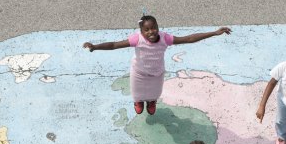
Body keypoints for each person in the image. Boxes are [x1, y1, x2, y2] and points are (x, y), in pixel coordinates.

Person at [83, 15, 231, 115]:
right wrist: (95, 47)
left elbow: (189, 38)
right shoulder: (137, 39)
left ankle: (151, 102)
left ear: (158, 27)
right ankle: (139, 102)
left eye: (153, 27)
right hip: (139, 73)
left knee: (155, 93)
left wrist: (214, 32)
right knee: (137, 93)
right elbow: (114, 45)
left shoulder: (165, 38)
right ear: (141, 31)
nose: (151, 32)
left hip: (157, 72)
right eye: (146, 30)